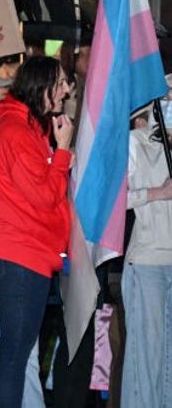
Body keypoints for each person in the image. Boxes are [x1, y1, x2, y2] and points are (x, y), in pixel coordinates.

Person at [0, 55, 74, 406]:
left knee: (15, 351)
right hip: (18, 251)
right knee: (14, 353)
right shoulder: (17, 133)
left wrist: (57, 157)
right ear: (42, 87)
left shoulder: (30, 130)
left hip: (28, 250)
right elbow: (46, 195)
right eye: (60, 83)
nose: (66, 90)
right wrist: (61, 153)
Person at [122, 86, 172, 407]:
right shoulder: (136, 143)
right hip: (148, 262)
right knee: (146, 358)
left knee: (167, 363)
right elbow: (115, 200)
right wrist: (157, 193)